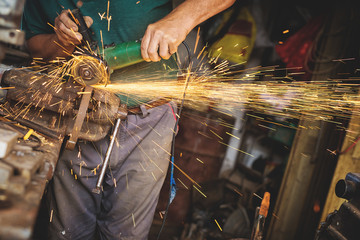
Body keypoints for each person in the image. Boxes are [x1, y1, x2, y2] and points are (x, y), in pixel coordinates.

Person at [22, 0, 235, 239]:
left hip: (148, 121)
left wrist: (181, 19)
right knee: (66, 233)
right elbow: (36, 49)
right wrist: (60, 41)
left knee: (125, 235)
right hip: (77, 118)